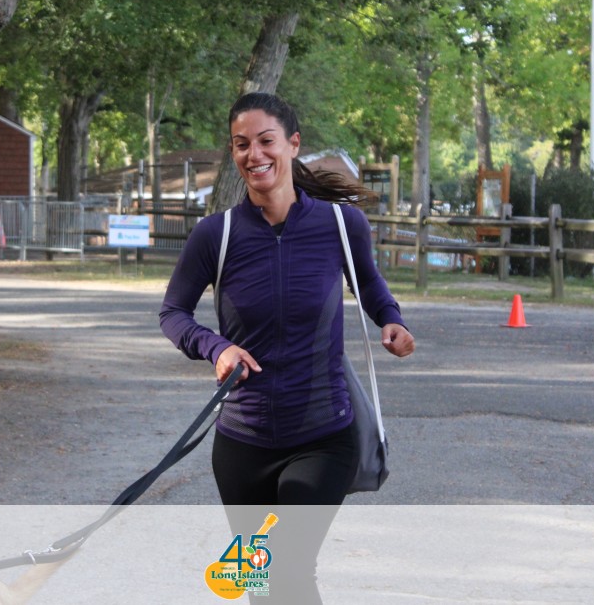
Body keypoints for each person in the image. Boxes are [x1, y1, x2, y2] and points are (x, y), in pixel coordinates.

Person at [159, 92, 414, 602]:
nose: (254, 154)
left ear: (293, 144)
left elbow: (369, 285)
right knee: (260, 584)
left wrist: (391, 320)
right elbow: (173, 313)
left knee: (289, 570)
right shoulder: (216, 235)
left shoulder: (340, 225)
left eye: (266, 141)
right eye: (241, 144)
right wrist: (216, 348)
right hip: (242, 442)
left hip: (322, 434)